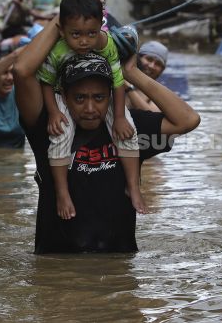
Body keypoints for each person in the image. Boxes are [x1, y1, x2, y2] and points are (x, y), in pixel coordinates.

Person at [12, 15, 200, 254]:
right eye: (80, 98)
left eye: (99, 98)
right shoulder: (50, 126)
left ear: (111, 97)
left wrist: (130, 73)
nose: (90, 109)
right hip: (58, 272)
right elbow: (21, 70)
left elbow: (188, 120)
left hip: (117, 273)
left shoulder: (128, 128)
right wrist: (64, 19)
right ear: (64, 98)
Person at [36, 0, 144, 221]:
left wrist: (120, 117)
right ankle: (62, 193)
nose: (84, 41)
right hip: (64, 94)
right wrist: (54, 113)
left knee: (129, 132)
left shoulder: (106, 44)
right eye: (76, 34)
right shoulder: (56, 51)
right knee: (61, 134)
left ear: (100, 27)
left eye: (91, 33)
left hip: (101, 94)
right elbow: (45, 82)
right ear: (62, 30)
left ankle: (133, 186)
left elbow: (117, 82)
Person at [127, 41, 169, 112]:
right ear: (137, 59)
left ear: (162, 70)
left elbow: (154, 116)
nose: (152, 66)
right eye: (149, 59)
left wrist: (128, 89)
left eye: (158, 64)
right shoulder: (119, 79)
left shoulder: (160, 95)